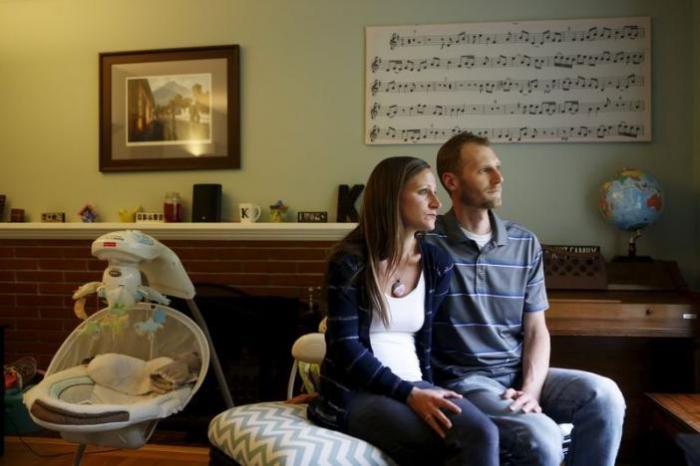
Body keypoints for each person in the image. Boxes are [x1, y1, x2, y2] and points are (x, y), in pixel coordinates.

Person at [423, 132, 626, 466]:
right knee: (543, 437)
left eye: (498, 168)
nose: (499, 178)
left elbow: (536, 331)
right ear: (452, 181)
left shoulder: (524, 242)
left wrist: (531, 390)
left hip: (518, 375)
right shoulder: (429, 242)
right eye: (484, 170)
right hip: (466, 381)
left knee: (605, 396)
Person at [308, 156, 498, 466]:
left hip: (416, 385)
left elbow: (429, 342)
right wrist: (408, 394)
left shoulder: (438, 264)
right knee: (437, 445)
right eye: (424, 192)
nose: (437, 202)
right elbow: (344, 347)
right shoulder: (350, 262)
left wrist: (428, 389)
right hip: (359, 392)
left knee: (483, 432)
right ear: (391, 198)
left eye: (435, 192)